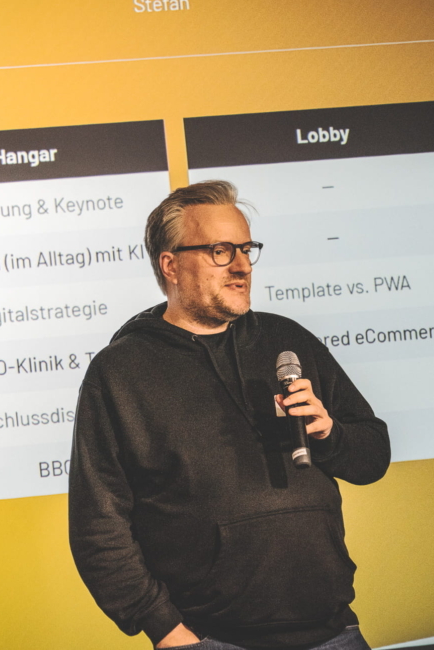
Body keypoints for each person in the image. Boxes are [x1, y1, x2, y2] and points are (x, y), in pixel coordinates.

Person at [69, 180, 391, 649]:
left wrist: (330, 435)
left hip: (334, 630)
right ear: (171, 265)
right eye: (220, 251)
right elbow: (98, 525)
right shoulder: (121, 372)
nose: (241, 265)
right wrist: (165, 629)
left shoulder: (288, 342)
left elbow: (373, 457)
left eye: (246, 249)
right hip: (211, 638)